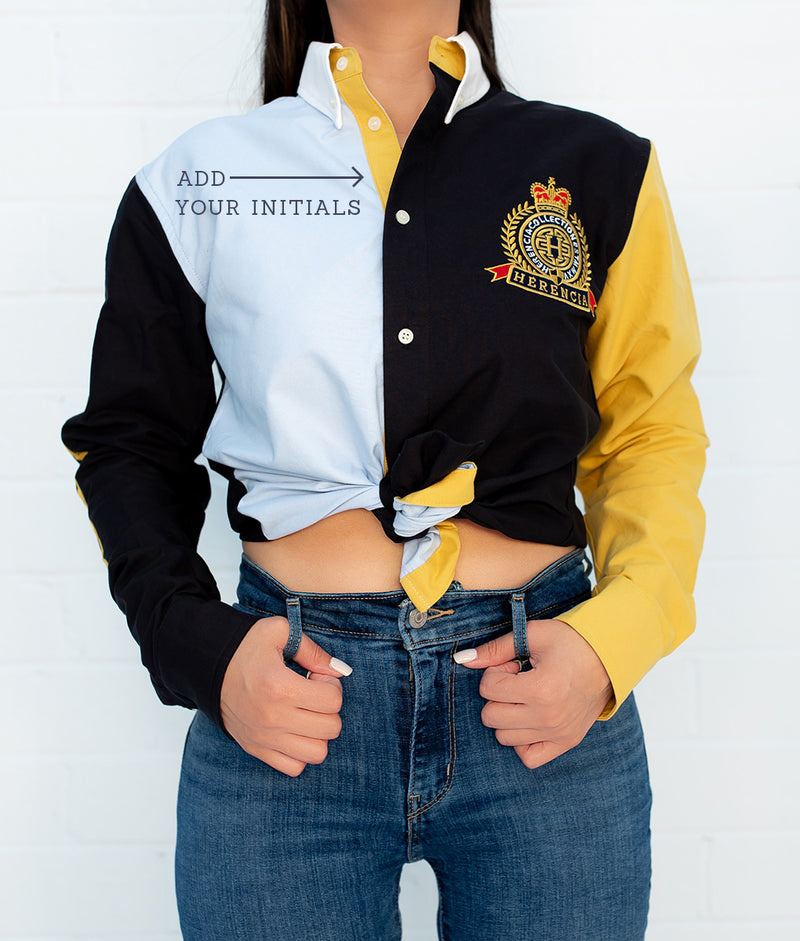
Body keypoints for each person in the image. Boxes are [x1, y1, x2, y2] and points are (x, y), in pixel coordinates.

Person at [61, 0, 707, 938]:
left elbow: (649, 434)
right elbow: (130, 445)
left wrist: (613, 641)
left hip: (546, 697)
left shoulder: (603, 169)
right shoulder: (200, 181)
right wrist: (201, 648)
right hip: (285, 702)